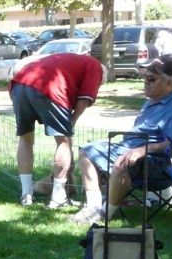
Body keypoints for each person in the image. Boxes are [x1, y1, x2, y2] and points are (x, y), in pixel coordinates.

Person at [71, 56, 172, 226]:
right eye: (144, 76)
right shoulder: (150, 103)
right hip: (129, 150)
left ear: (169, 83)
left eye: (151, 79)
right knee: (86, 150)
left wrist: (142, 150)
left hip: (161, 163)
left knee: (123, 162)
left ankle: (104, 214)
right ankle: (93, 207)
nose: (145, 82)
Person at [9, 52, 104, 208]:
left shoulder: (73, 60)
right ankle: (58, 197)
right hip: (49, 85)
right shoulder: (95, 65)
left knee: (25, 138)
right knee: (63, 141)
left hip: (19, 83)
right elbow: (85, 99)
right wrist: (71, 122)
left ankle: (26, 194)